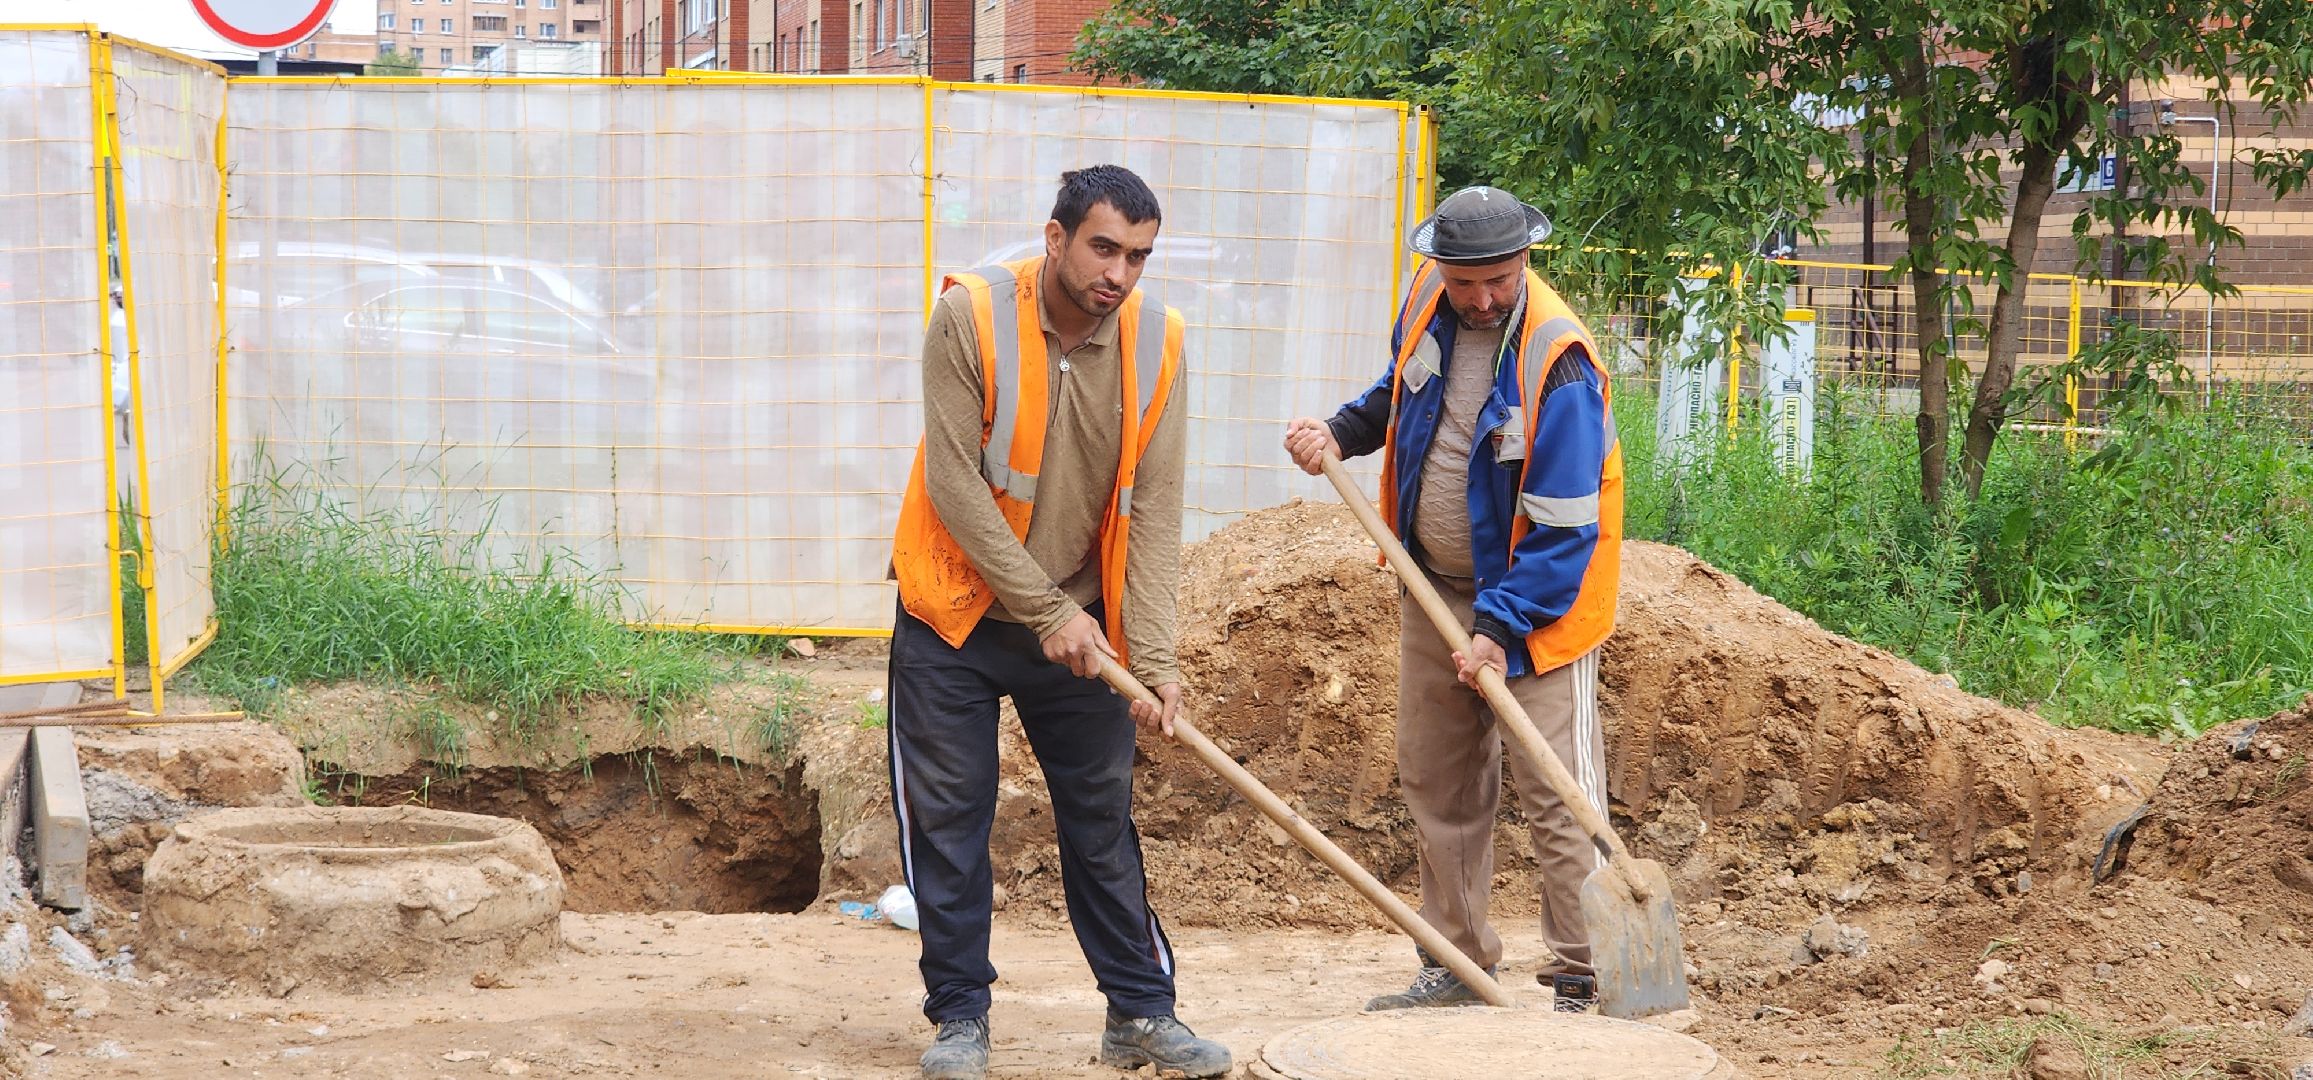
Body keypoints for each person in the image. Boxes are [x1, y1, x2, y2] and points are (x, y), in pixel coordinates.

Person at [886, 165, 1232, 1080]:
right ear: (1055, 237)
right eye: (1104, 248)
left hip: (1079, 629)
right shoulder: (970, 316)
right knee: (951, 822)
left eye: (1138, 256)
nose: (1120, 273)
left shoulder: (1158, 343)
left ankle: (1141, 1016)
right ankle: (960, 1019)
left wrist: (1153, 657)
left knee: (1101, 822)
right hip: (953, 618)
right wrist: (1041, 609)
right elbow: (955, 483)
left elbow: (1155, 509)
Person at [1282, 186, 1623, 1015]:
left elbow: (1562, 526)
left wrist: (1497, 631)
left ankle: (1587, 972)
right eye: (1464, 280)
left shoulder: (1559, 359)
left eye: (1496, 281)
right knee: (1439, 779)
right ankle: (1456, 963)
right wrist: (1340, 432)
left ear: (1524, 262)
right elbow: (1398, 398)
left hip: (1542, 606)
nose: (1478, 298)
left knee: (1556, 790)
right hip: (1432, 587)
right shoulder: (1428, 301)